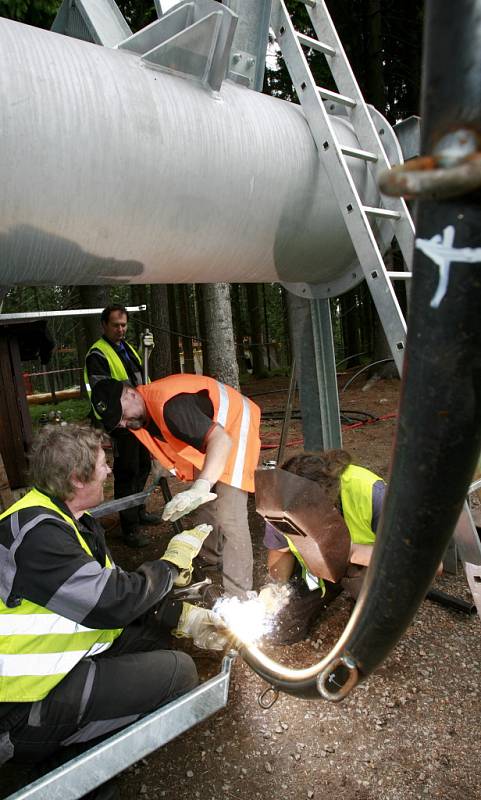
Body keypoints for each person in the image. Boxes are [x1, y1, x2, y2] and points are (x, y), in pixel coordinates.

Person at [0, 425, 226, 775]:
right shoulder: (39, 538)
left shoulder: (68, 519)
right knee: (180, 673)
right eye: (103, 463)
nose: (109, 471)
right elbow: (111, 602)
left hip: (58, 663)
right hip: (21, 705)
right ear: (77, 478)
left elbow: (113, 588)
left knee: (156, 640)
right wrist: (169, 565)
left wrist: (181, 617)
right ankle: (61, 767)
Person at [90, 374, 261, 598]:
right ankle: (210, 559)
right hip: (210, 434)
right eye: (117, 422)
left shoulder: (172, 408)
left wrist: (202, 486)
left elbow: (221, 440)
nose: (123, 424)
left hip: (234, 428)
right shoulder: (138, 415)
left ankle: (239, 595)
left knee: (230, 515)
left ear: (130, 394)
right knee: (204, 503)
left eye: (122, 416)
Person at [259, 450, 386, 644]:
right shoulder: (283, 504)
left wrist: (350, 551)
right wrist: (276, 587)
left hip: (365, 567)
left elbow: (430, 566)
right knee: (278, 627)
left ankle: (369, 610)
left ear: (329, 506)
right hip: (317, 568)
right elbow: (279, 554)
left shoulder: (371, 493)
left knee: (368, 638)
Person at [84, 304, 160, 548]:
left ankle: (138, 511)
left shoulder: (126, 348)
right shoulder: (98, 354)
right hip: (122, 423)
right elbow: (101, 393)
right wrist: (118, 422)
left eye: (124, 324)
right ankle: (130, 528)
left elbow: (140, 380)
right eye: (116, 325)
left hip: (140, 420)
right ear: (104, 325)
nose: (121, 329)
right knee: (127, 472)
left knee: (143, 466)